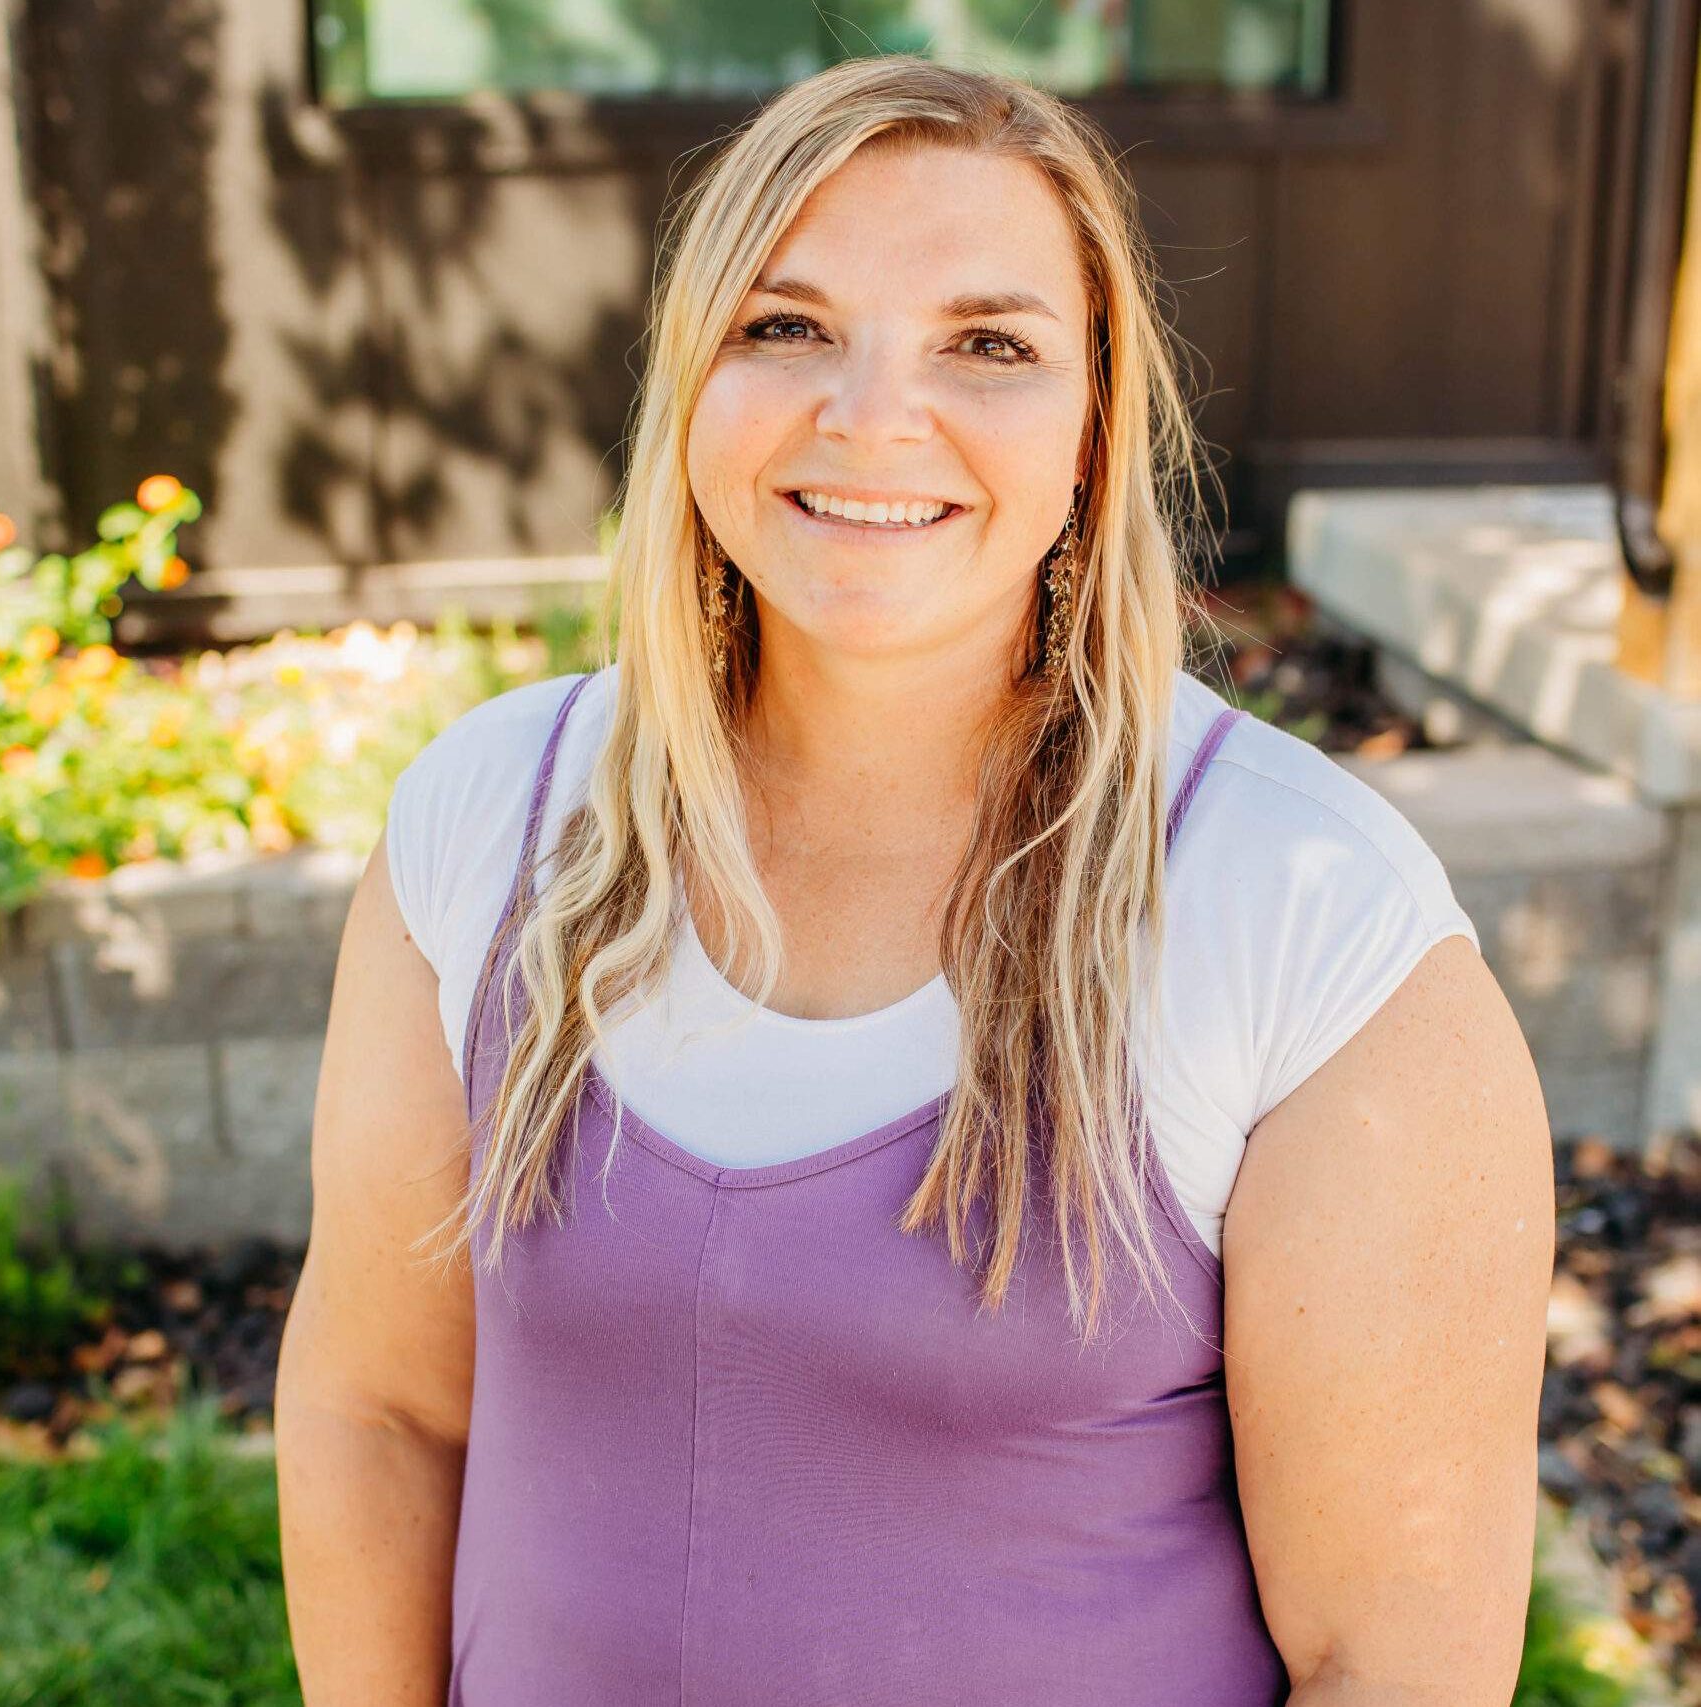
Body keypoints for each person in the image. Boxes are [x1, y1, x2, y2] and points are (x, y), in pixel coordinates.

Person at [275, 54, 1554, 1707]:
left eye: (990, 345)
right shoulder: (493, 820)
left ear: (1097, 428)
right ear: (693, 381)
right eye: (786, 325)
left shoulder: (1305, 914)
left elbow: (1393, 1655)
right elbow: (381, 1413)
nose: (873, 416)